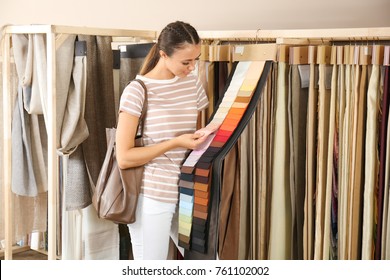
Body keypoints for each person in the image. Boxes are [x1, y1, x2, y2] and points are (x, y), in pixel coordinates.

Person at [116, 21, 209, 260]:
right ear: (163, 55)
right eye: (186, 62)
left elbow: (198, 130)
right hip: (153, 193)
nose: (192, 67)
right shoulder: (137, 91)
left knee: (208, 260)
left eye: (196, 59)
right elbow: (125, 158)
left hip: (188, 189)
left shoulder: (192, 83)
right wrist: (176, 143)